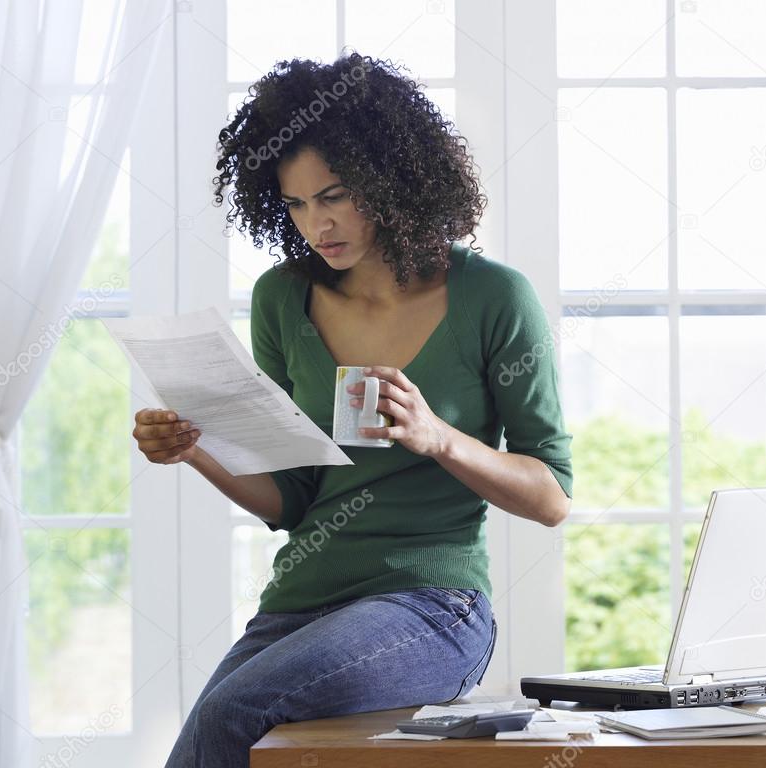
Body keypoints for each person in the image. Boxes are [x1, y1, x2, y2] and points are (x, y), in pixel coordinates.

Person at [130, 52, 573, 767]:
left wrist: (439, 439)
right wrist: (197, 450)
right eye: (297, 204)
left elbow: (551, 498)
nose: (316, 224)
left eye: (334, 195)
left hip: (431, 607)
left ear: (391, 180)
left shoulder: (493, 297)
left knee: (231, 713)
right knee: (202, 744)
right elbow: (293, 498)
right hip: (301, 604)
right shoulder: (282, 298)